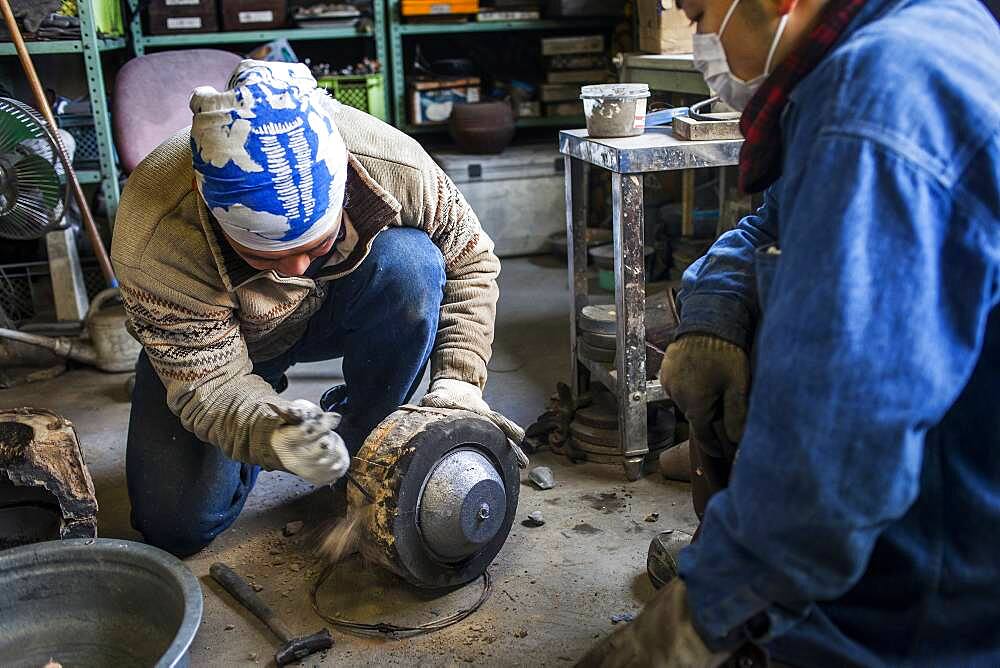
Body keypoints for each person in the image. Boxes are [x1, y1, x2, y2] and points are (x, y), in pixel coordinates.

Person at [579, 0, 1000, 665]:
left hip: (920, 604)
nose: (701, 42)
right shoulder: (909, 36)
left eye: (698, 12)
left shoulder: (878, 99)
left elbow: (841, 444)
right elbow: (768, 225)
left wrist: (699, 617)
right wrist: (713, 314)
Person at [111, 60, 510, 557]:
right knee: (174, 526)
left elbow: (471, 260)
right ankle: (275, 419)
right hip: (216, 343)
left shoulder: (387, 160)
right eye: (268, 256)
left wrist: (458, 381)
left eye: (317, 245)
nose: (298, 268)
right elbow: (209, 387)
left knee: (413, 264)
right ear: (204, 201)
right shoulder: (153, 235)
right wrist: (268, 430)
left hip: (338, 303)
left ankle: (366, 438)